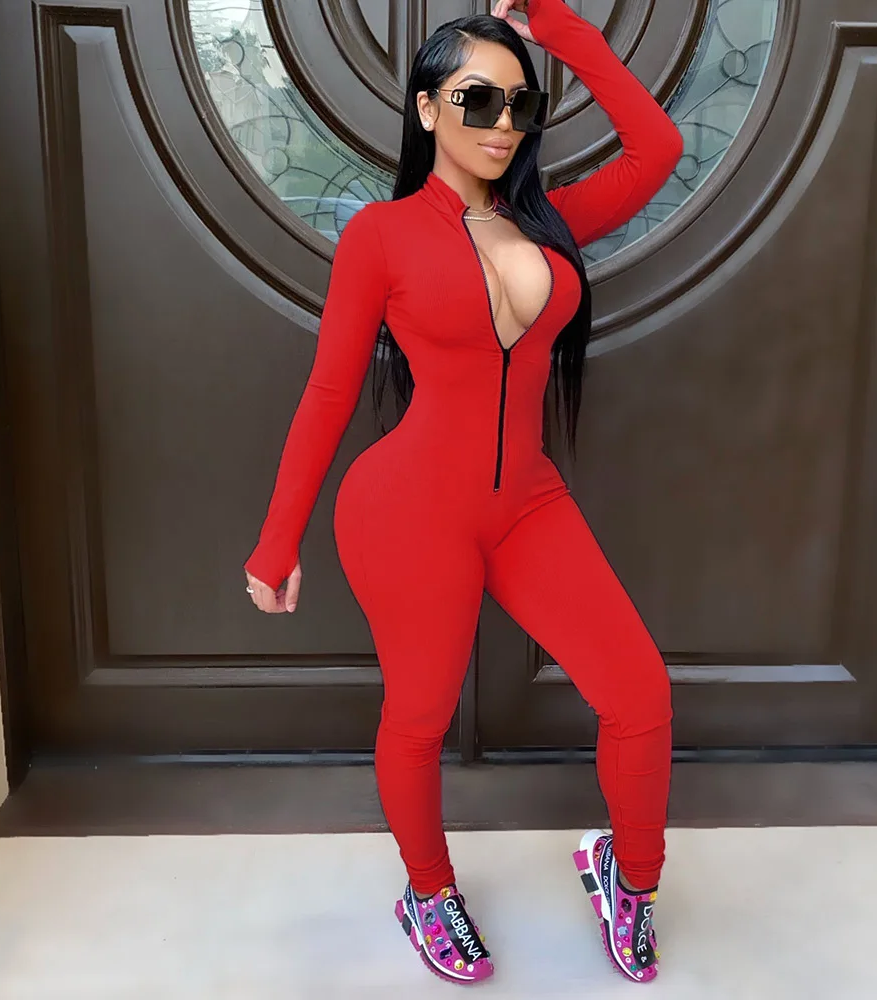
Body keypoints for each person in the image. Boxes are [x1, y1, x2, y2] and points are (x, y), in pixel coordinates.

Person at [243, 0, 683, 985]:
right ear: (427, 107)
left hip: (526, 504)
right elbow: (329, 393)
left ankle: (630, 878)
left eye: (520, 104)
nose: (501, 122)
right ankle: (428, 890)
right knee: (420, 715)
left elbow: (656, 149)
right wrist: (277, 541)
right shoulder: (381, 235)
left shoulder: (550, 222)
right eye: (477, 98)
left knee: (639, 695)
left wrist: (555, 25)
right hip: (407, 512)